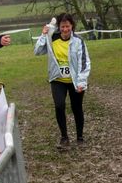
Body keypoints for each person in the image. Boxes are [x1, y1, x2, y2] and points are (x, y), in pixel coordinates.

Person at [34, 13, 91, 149]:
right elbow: (38, 51)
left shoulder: (78, 41)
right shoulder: (52, 38)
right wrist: (43, 35)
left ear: (72, 26)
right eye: (62, 26)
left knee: (76, 108)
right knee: (59, 106)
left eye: (67, 26)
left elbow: (84, 62)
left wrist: (81, 82)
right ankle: (64, 138)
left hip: (75, 80)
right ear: (58, 27)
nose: (65, 29)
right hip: (57, 79)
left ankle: (80, 137)